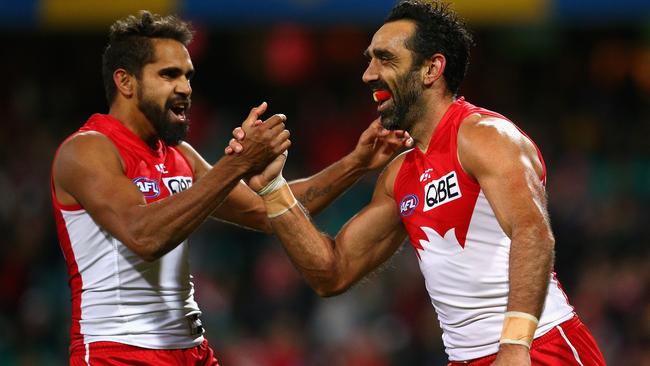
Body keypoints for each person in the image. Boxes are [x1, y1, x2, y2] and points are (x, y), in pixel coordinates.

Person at [238, 1, 607, 365]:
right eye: (369, 59)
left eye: (385, 59)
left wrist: (514, 346)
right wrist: (273, 187)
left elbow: (532, 232)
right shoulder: (400, 176)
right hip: (468, 358)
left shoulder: (485, 136)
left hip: (540, 347)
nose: (368, 74)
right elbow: (333, 273)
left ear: (431, 68)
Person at [51, 11, 412, 365]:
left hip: (189, 349)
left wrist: (356, 163)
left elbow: (268, 212)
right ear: (125, 82)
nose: (184, 88)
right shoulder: (87, 150)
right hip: (118, 352)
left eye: (188, 76)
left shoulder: (179, 155)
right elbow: (143, 236)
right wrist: (238, 163)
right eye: (169, 75)